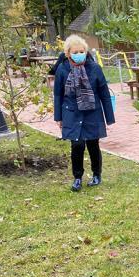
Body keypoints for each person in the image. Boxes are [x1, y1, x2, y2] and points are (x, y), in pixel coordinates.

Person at [53, 35, 115, 192]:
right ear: (68, 53)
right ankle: (77, 177)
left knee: (93, 144)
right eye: (75, 51)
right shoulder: (62, 68)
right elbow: (58, 94)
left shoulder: (94, 68)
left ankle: (96, 174)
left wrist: (109, 118)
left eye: (82, 51)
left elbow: (104, 93)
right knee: (77, 145)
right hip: (71, 112)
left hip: (92, 111)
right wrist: (58, 117)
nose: (79, 54)